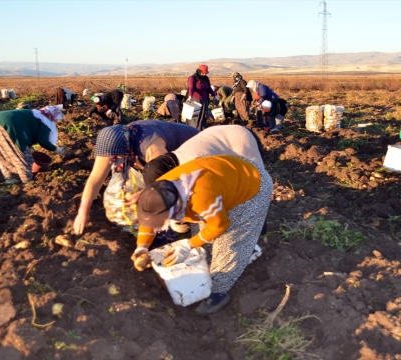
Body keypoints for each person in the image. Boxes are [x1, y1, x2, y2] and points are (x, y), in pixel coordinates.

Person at [132, 154, 273, 315]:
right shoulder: (158, 193)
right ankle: (220, 266)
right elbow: (149, 220)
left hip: (251, 184)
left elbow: (219, 226)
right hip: (223, 182)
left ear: (175, 209)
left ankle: (218, 292)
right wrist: (141, 248)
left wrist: (187, 245)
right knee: (204, 242)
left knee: (230, 243)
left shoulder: (201, 197)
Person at [72, 120, 199, 235]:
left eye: (115, 158)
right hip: (159, 160)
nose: (113, 162)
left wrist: (143, 194)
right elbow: (95, 178)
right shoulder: (115, 142)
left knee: (175, 190)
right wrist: (83, 212)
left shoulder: (151, 146)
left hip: (193, 152)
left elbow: (170, 177)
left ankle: (180, 217)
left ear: (125, 151)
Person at [141, 125, 264, 185]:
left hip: (238, 137)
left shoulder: (193, 167)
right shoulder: (170, 165)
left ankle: (260, 229)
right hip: (215, 138)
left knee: (255, 181)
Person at [0, 106, 67, 184]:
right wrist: (56, 149)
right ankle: (27, 181)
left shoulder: (35, 114)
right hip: (11, 124)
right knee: (23, 155)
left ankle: (10, 178)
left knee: (2, 151)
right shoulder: (45, 122)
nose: (56, 121)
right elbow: (43, 141)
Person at [187, 64, 217, 130]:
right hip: (196, 100)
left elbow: (208, 88)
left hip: (205, 99)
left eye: (205, 73)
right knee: (195, 116)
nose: (204, 74)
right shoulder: (192, 78)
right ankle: (194, 129)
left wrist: (214, 95)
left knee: (203, 115)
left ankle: (202, 129)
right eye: (203, 73)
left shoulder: (206, 78)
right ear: (199, 71)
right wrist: (190, 96)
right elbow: (191, 88)